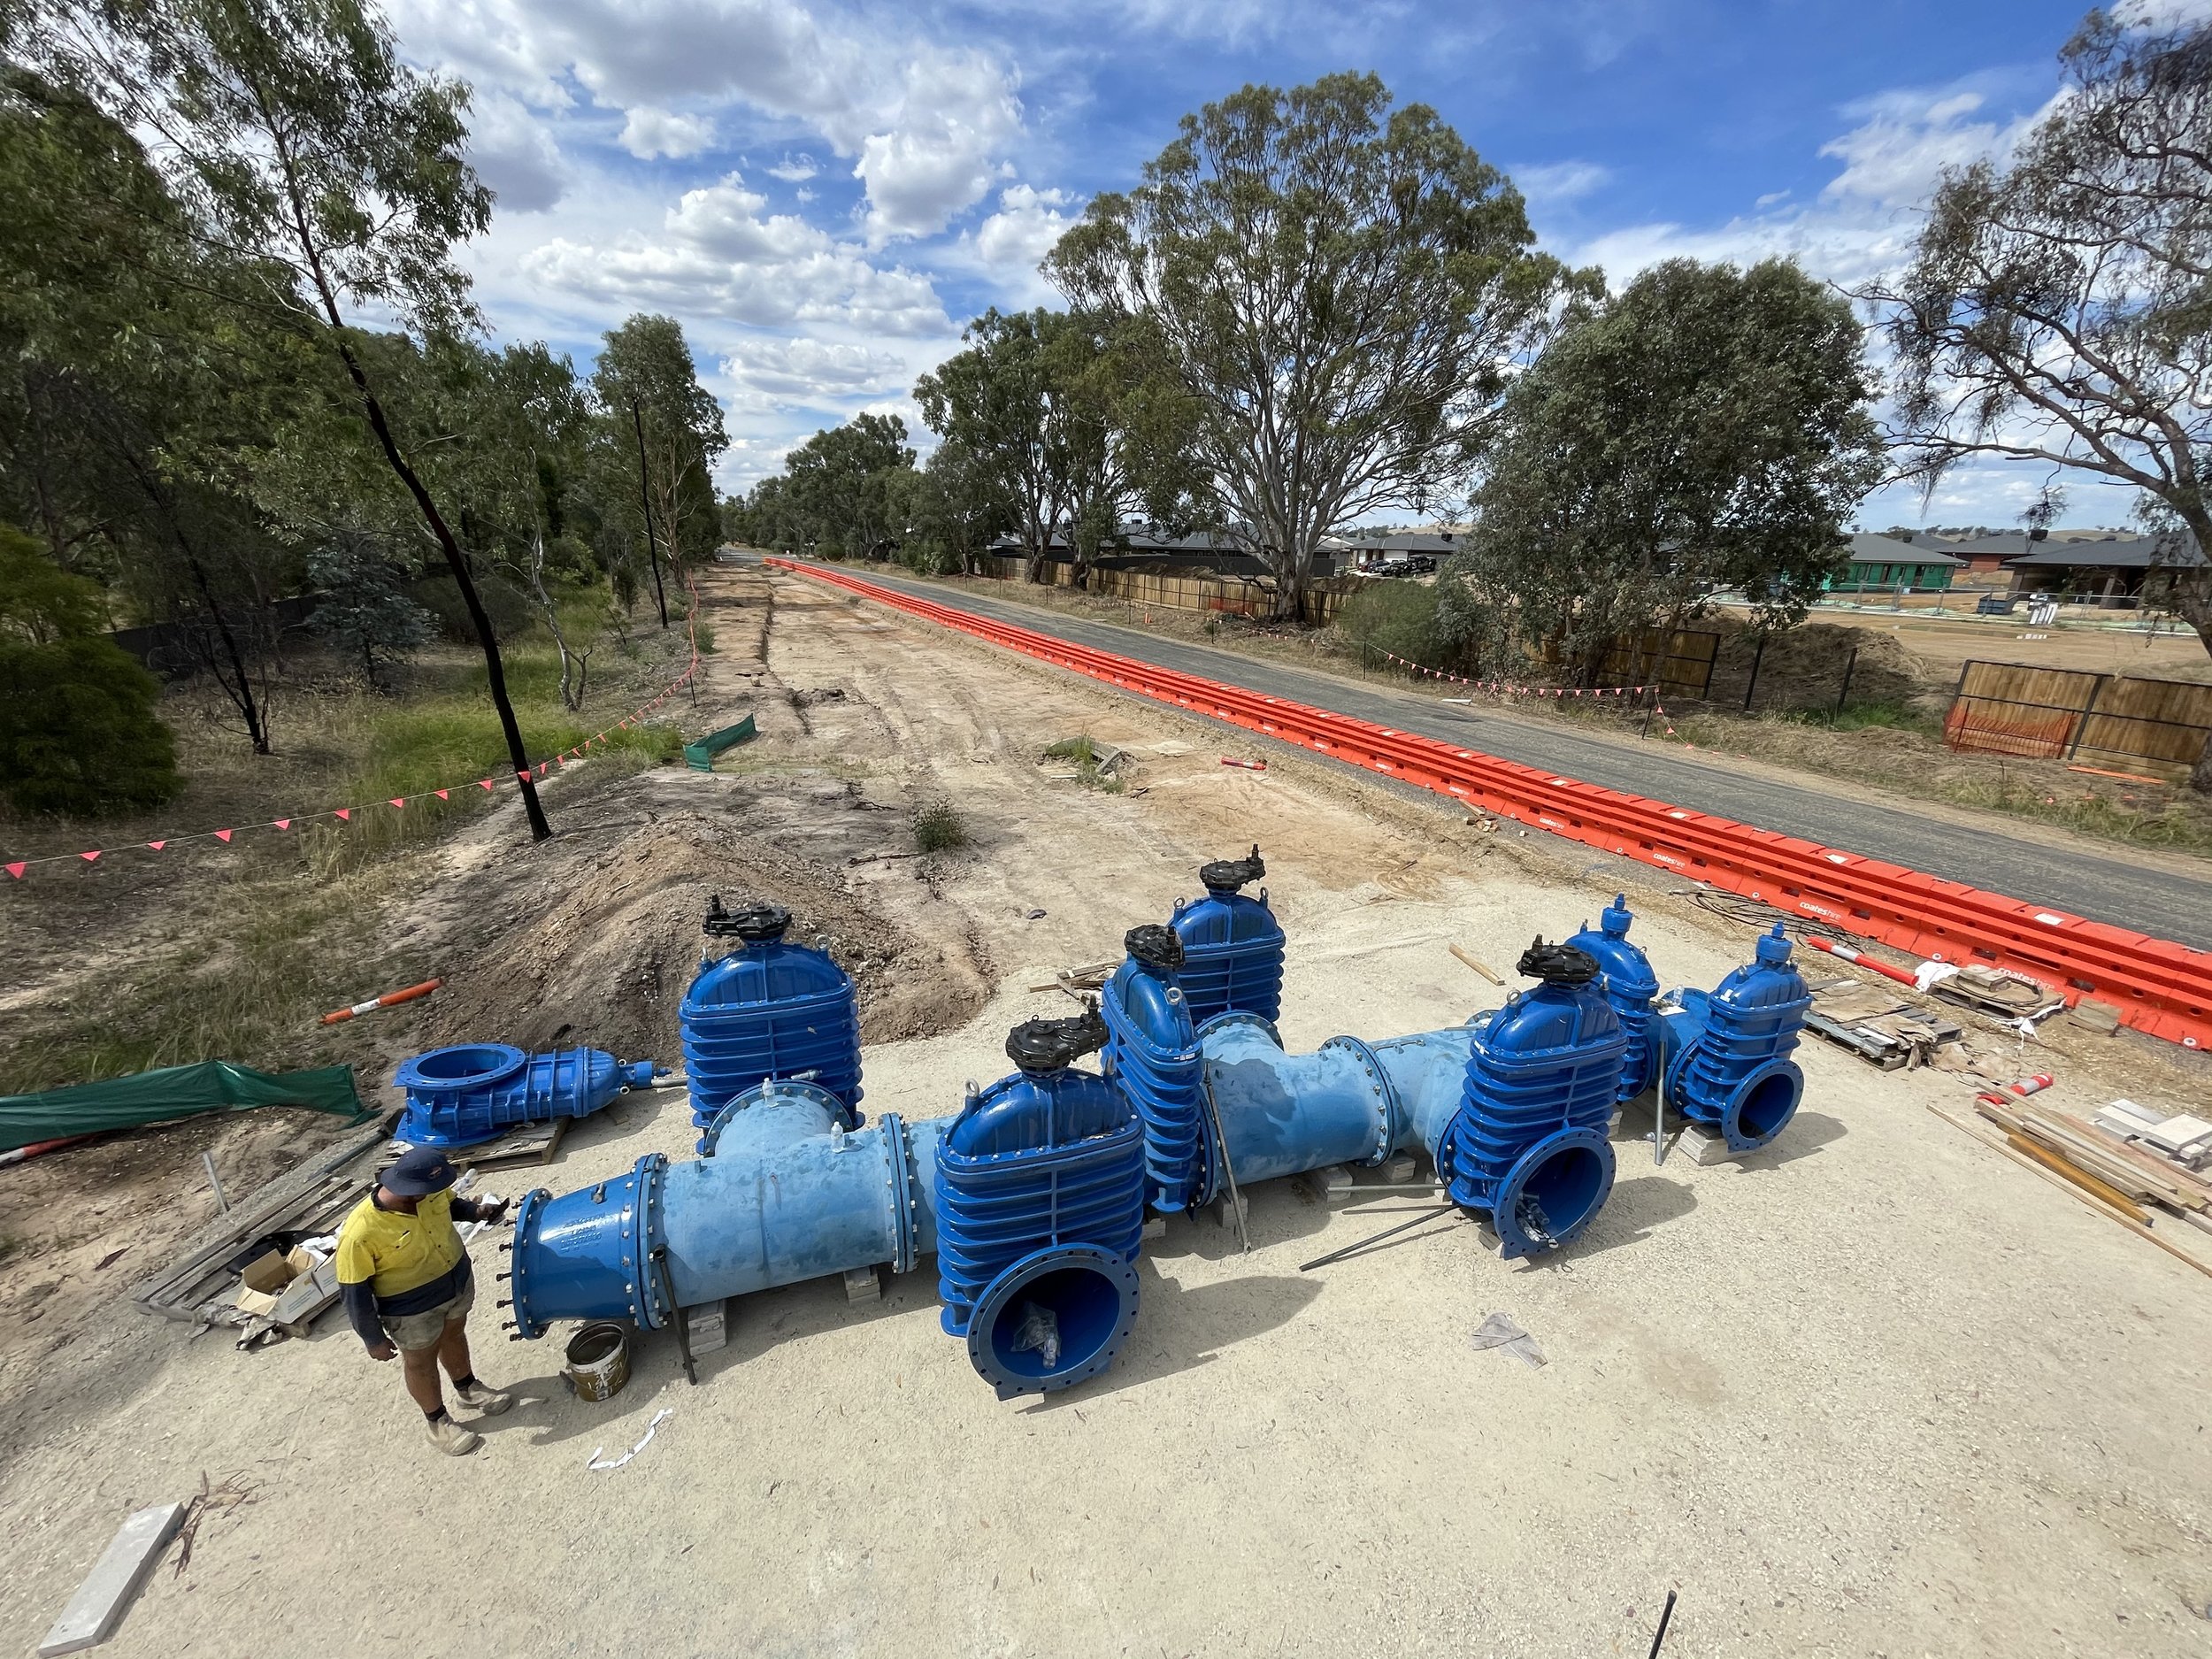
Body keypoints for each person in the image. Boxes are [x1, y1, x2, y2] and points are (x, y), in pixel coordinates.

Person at [336, 1145, 512, 1455]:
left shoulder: (429, 1193)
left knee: (454, 1335)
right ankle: (438, 1423)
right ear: (409, 1189)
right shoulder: (360, 1232)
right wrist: (372, 1338)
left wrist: (477, 1212)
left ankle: (468, 1388)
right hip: (411, 1308)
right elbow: (355, 1291)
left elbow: (452, 1205)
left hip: (455, 1283)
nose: (436, 1193)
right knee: (420, 1361)